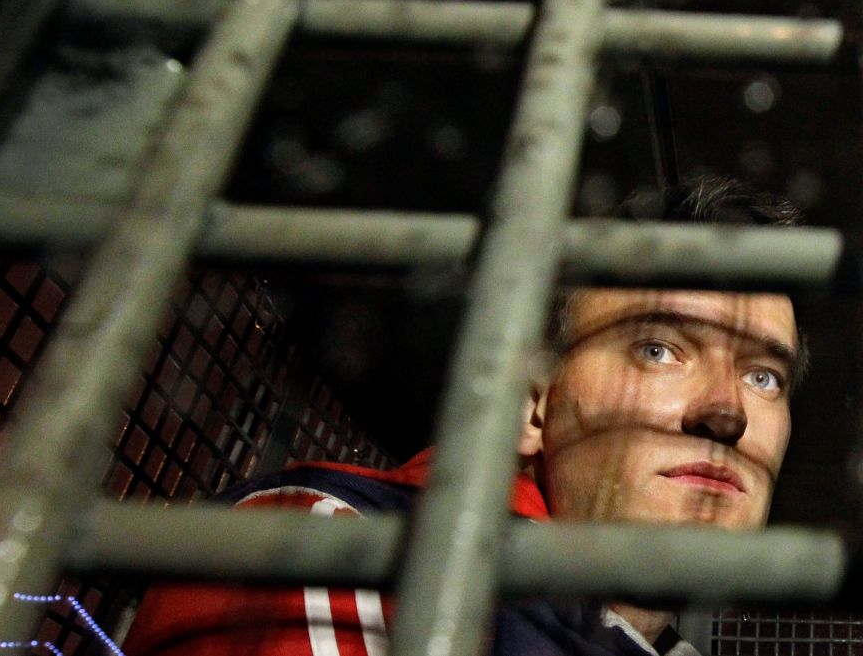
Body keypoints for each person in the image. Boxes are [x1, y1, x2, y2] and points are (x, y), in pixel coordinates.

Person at [122, 176, 807, 656]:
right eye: (659, 349)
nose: (727, 410)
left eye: (763, 374)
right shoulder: (334, 551)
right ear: (532, 407)